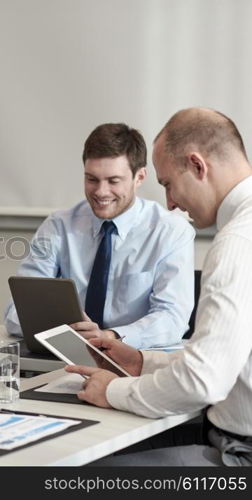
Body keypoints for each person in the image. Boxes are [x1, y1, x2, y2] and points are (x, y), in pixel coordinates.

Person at [67, 108, 252, 466]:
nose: (169, 203)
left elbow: (203, 380)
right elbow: (227, 357)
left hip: (238, 456)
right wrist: (141, 362)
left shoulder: (237, 243)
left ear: (198, 166)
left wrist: (114, 390)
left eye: (168, 184)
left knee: (83, 472)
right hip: (225, 434)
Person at [4, 123, 195, 348]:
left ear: (139, 177)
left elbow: (172, 320)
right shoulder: (58, 226)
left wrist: (110, 336)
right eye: (92, 179)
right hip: (66, 354)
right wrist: (69, 334)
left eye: (113, 181)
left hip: (135, 361)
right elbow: (16, 312)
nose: (100, 192)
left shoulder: (171, 231)